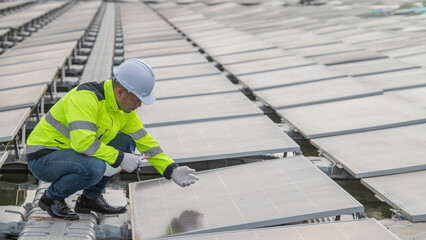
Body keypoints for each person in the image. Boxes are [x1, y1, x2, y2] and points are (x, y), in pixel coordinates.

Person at [25, 58, 199, 220]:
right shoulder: (85, 99)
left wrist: (171, 168)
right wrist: (121, 158)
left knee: (126, 143)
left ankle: (89, 199)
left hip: (71, 154)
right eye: (138, 99)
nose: (139, 105)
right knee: (95, 167)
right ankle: (51, 198)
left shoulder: (124, 110)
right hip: (44, 157)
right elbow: (83, 143)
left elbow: (145, 142)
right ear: (120, 92)